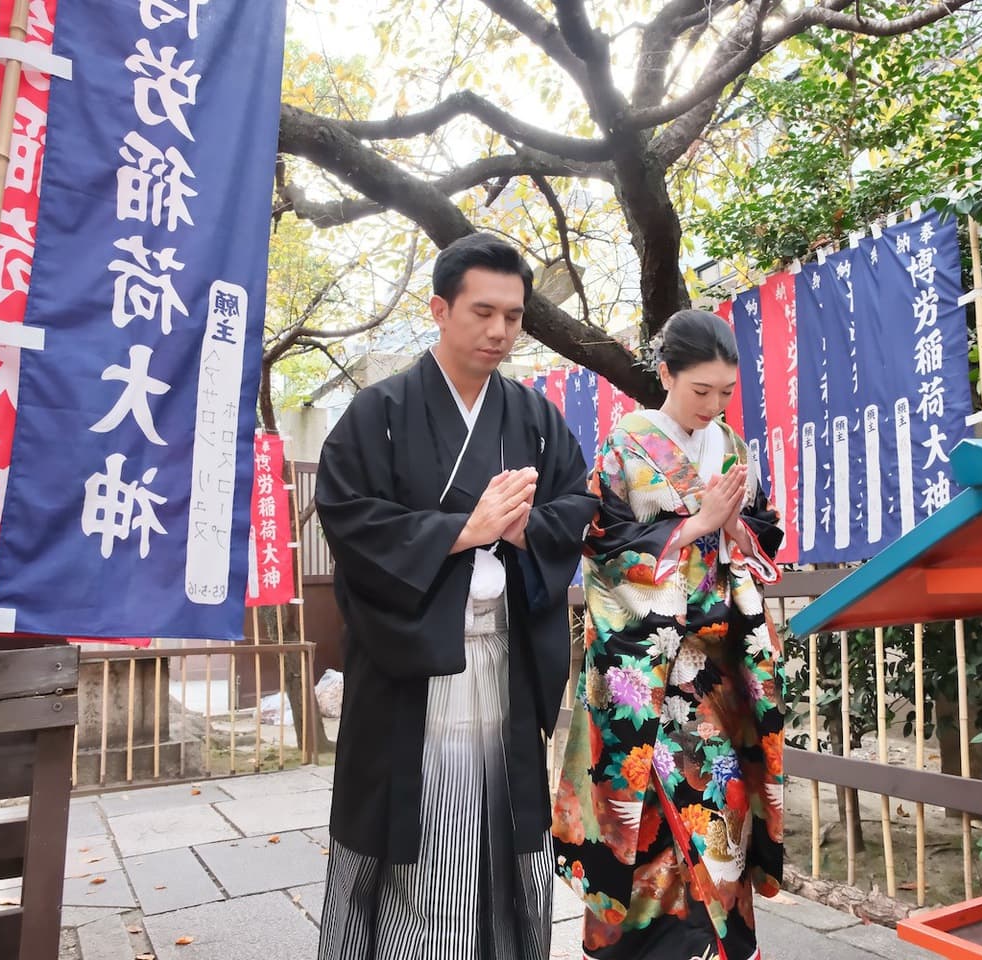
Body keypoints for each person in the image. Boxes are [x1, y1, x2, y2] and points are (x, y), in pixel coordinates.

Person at [314, 232, 599, 960]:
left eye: (513, 315)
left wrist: (523, 526)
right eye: (482, 312)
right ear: (439, 309)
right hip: (415, 670)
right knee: (417, 841)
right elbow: (347, 517)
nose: (500, 331)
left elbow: (577, 501)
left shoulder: (530, 417)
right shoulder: (378, 412)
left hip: (501, 663)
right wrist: (461, 530)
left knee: (499, 831)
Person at [552, 309, 788, 960]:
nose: (713, 406)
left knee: (726, 813)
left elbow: (761, 535)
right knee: (648, 823)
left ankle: (714, 947)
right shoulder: (626, 444)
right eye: (699, 391)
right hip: (650, 672)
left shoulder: (733, 449)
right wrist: (693, 524)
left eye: (726, 394)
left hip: (718, 669)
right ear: (665, 374)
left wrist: (738, 528)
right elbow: (601, 546)